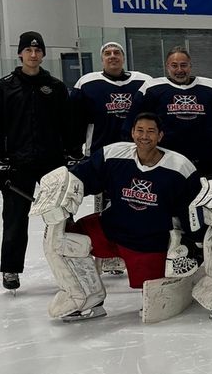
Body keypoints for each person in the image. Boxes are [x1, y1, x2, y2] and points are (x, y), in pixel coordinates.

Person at [31, 110, 202, 323]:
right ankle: (87, 297)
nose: (144, 136)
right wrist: (60, 195)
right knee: (63, 240)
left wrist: (195, 242)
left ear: (160, 136)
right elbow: (81, 177)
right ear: (132, 133)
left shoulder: (180, 168)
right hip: (109, 229)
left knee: (151, 297)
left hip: (147, 244)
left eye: (151, 131)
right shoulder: (113, 154)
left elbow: (191, 209)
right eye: (139, 130)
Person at [0, 30, 77, 290]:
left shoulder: (56, 87)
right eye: (28, 50)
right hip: (17, 163)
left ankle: (70, 264)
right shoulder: (5, 86)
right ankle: (11, 269)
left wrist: (72, 154)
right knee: (14, 218)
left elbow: (66, 125)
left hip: (52, 163)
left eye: (38, 51)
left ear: (43, 54)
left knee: (61, 216)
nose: (33, 55)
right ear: (20, 53)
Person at [126, 47, 212, 177]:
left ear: (190, 66)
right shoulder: (151, 89)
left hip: (206, 163)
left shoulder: (211, 88)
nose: (179, 70)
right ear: (167, 67)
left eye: (184, 65)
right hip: (165, 162)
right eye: (174, 65)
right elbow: (132, 125)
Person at [71, 41, 151, 155]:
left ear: (123, 58)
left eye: (116, 53)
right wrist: (75, 148)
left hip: (135, 150)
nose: (112, 56)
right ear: (102, 60)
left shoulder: (144, 81)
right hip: (99, 150)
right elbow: (75, 120)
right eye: (107, 53)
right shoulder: (86, 83)